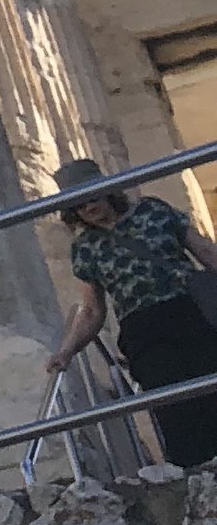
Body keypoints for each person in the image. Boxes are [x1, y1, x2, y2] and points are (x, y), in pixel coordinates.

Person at [49, 158, 217, 470]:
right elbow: (93, 309)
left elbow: (206, 252)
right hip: (144, 331)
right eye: (78, 204)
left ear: (107, 191)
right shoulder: (85, 248)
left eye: (92, 196)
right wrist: (66, 350)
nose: (88, 206)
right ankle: (197, 479)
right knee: (174, 408)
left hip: (191, 312)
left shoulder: (153, 211)